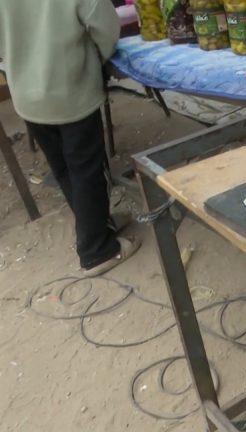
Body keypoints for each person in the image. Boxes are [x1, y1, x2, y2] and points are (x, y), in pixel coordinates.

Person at [0, 0, 141, 276]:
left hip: (27, 95)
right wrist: (97, 61)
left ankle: (97, 225)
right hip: (70, 89)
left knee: (64, 167)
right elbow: (106, 27)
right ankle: (97, 251)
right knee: (87, 169)